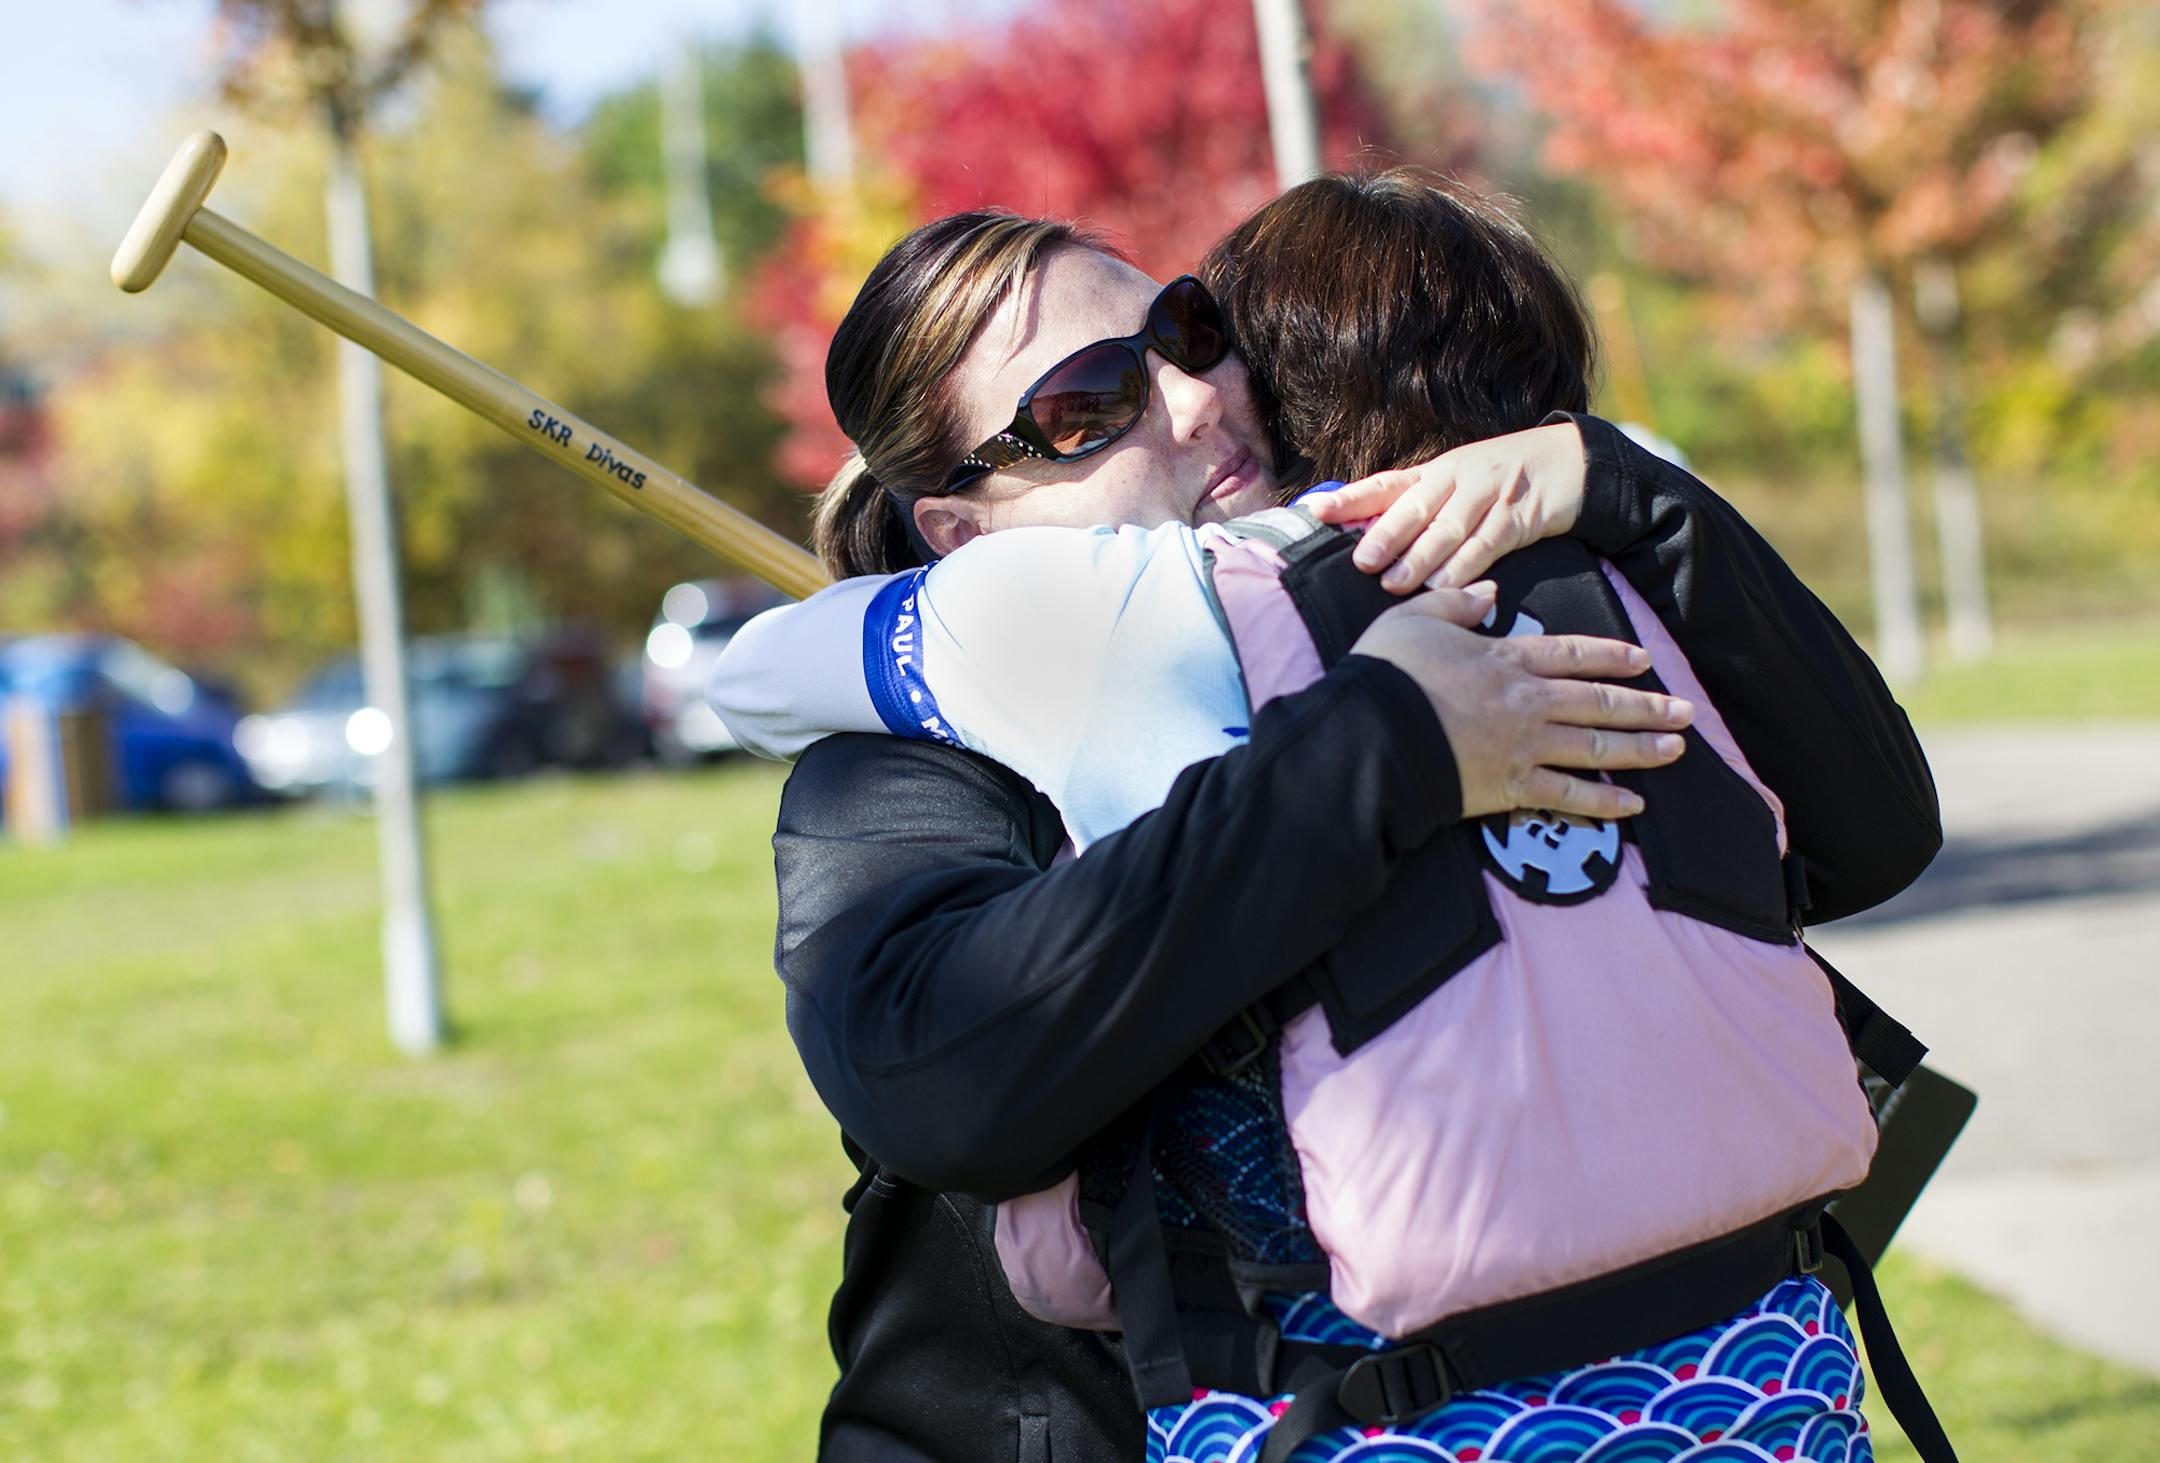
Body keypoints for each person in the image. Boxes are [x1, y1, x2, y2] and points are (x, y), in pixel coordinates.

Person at [746, 189, 1939, 1462]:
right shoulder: (903, 766)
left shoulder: (1435, 591)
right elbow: (937, 1085)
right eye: (1085, 410)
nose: (1194, 399)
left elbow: (1867, 837)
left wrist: (1626, 489)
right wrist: (1389, 752)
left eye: (1184, 332)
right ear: (959, 529)